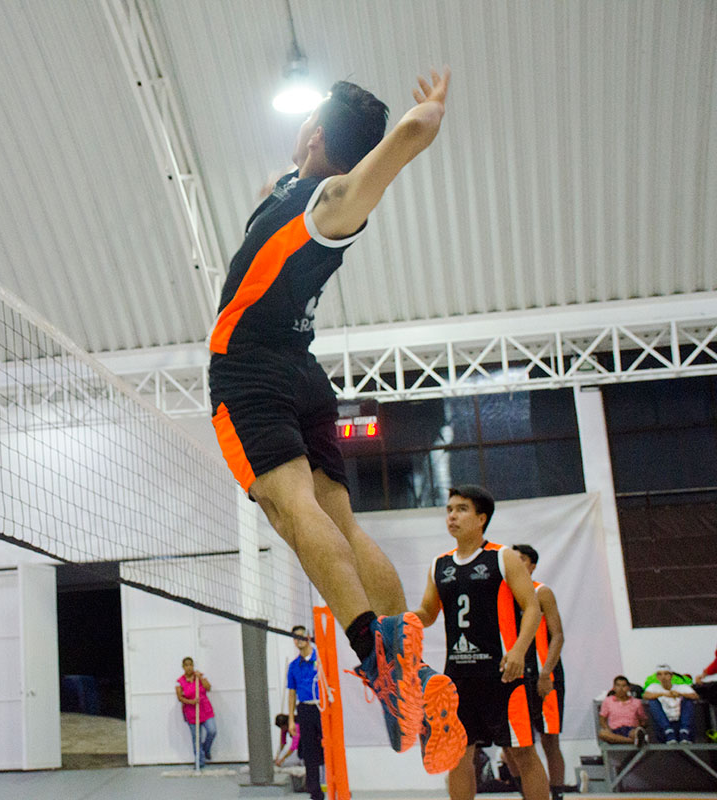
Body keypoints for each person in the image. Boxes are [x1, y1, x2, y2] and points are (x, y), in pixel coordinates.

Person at [206, 68, 463, 773]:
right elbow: (282, 195)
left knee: (292, 512)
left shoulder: (336, 202)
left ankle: (378, 664)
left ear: (317, 134)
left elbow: (413, 134)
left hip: (249, 368)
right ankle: (407, 665)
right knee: (342, 522)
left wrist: (429, 112)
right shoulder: (289, 192)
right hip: (302, 371)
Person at [412, 485, 549, 800]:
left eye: (461, 509)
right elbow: (428, 613)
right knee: (458, 755)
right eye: (449, 509)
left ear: (481, 518)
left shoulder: (503, 557)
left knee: (522, 752)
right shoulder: (439, 565)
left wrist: (517, 651)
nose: (452, 516)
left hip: (502, 674)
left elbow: (532, 608)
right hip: (458, 678)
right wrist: (395, 622)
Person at [512, 544, 567, 791]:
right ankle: (527, 791)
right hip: (514, 675)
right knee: (512, 742)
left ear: (532, 565)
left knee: (549, 740)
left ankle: (555, 795)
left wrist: (546, 674)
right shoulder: (503, 594)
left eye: (521, 559)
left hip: (544, 674)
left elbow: (558, 636)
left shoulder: (541, 592)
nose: (516, 563)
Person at [285, 625, 324, 800]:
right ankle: (315, 792)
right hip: (305, 709)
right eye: (295, 637)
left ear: (308, 637)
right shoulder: (293, 666)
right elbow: (292, 693)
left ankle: (337, 783)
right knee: (309, 752)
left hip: (322, 707)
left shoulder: (321, 658)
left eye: (301, 636)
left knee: (328, 747)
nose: (298, 640)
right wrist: (292, 720)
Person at [175, 657, 216, 768]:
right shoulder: (180, 682)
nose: (189, 667)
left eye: (190, 665)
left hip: (205, 709)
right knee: (196, 738)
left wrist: (200, 678)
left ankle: (205, 749)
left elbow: (208, 688)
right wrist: (191, 702)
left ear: (193, 666)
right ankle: (200, 762)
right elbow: (180, 698)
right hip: (191, 712)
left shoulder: (199, 677)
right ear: (183, 667)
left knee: (212, 731)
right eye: (186, 665)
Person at [642, 664, 698, 743]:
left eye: (666, 674)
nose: (663, 677)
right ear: (657, 677)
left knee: (688, 701)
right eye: (660, 674)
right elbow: (645, 695)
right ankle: (668, 731)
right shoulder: (653, 687)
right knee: (653, 702)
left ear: (671, 676)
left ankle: (684, 731)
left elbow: (695, 696)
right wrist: (663, 694)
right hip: (664, 728)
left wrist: (680, 694)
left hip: (681, 723)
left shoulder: (681, 687)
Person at [597, 675, 649, 745]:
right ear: (614, 687)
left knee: (636, 733)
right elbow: (602, 719)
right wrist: (607, 729)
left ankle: (634, 739)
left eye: (624, 686)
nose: (621, 689)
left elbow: (643, 719)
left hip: (631, 729)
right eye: (618, 686)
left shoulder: (636, 702)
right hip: (615, 730)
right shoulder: (608, 701)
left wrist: (640, 726)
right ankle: (632, 741)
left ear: (628, 688)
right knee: (602, 734)